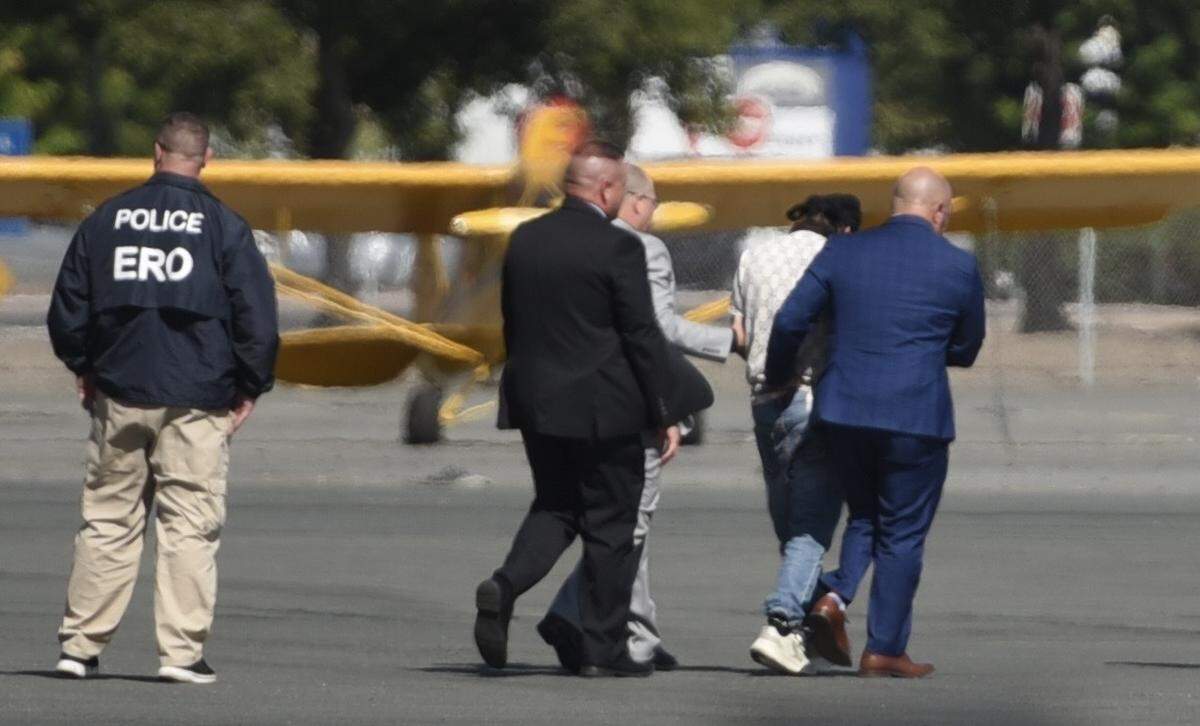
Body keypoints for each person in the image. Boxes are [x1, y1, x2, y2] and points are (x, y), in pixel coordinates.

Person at [47, 112, 279, 684]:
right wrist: (250, 385)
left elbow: (67, 309)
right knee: (189, 524)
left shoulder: (105, 220)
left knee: (107, 518)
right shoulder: (224, 226)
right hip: (198, 396)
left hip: (120, 390)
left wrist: (85, 366)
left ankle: (79, 646)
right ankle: (180, 654)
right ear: (206, 161)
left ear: (155, 152)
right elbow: (257, 320)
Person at [766, 167, 985, 678]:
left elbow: (792, 319)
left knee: (864, 514)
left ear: (894, 205)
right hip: (916, 416)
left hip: (843, 410)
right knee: (903, 534)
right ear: (940, 212)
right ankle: (884, 647)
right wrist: (922, 354)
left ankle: (836, 595)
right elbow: (968, 347)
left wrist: (779, 377)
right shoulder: (958, 266)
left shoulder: (844, 251)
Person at [474, 142, 680, 678]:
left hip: (538, 403)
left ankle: (505, 585)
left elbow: (514, 322)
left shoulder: (525, 239)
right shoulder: (618, 248)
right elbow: (640, 335)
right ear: (608, 189)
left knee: (556, 506)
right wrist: (665, 409)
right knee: (612, 524)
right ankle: (601, 649)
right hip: (607, 408)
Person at [537, 163, 737, 673]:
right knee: (630, 523)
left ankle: (635, 629)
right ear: (638, 200)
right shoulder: (642, 249)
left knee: (619, 519)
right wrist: (728, 341)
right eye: (652, 202)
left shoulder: (574, 247)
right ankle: (594, 619)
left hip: (573, 407)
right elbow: (658, 328)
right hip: (633, 405)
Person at [732, 195, 862, 675]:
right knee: (812, 527)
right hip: (812, 398)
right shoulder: (836, 258)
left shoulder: (754, 254)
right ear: (846, 230)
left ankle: (812, 622)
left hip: (763, 403)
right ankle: (782, 625)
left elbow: (740, 336)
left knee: (790, 529)